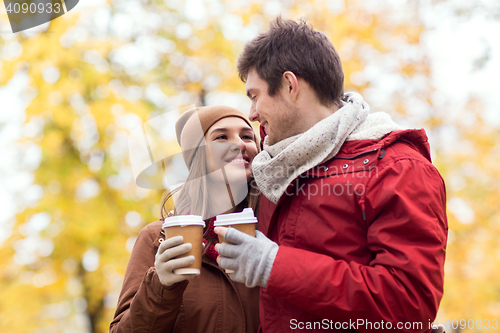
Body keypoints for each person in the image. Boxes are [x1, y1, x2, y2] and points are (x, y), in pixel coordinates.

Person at [214, 17, 448, 332]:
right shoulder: (273, 171)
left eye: (255, 96)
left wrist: (274, 266)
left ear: (289, 85)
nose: (252, 112)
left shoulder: (397, 167)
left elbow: (409, 305)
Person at [110, 105, 261, 333]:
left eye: (247, 136)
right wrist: (161, 285)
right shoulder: (158, 237)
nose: (240, 144)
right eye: (221, 136)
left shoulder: (277, 227)